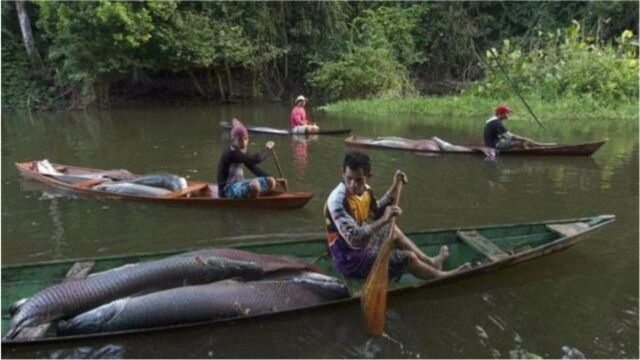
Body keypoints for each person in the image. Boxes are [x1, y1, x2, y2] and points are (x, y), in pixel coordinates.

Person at [324, 151, 470, 280]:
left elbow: (376, 211)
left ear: (368, 177)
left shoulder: (366, 190)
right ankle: (442, 276)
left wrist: (394, 186)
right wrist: (383, 220)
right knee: (407, 257)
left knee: (391, 229)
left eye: (359, 180)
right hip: (350, 259)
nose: (353, 185)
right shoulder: (337, 201)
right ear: (343, 172)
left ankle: (431, 262)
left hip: (362, 247)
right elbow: (355, 240)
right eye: (349, 178)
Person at [217, 118, 286, 198]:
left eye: (245, 139)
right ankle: (254, 200)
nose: (243, 142)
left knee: (271, 181)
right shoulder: (231, 152)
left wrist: (275, 179)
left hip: (240, 183)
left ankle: (257, 197)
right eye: (240, 140)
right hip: (227, 190)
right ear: (233, 139)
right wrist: (267, 148)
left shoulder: (242, 151)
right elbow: (256, 159)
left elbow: (253, 168)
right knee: (255, 186)